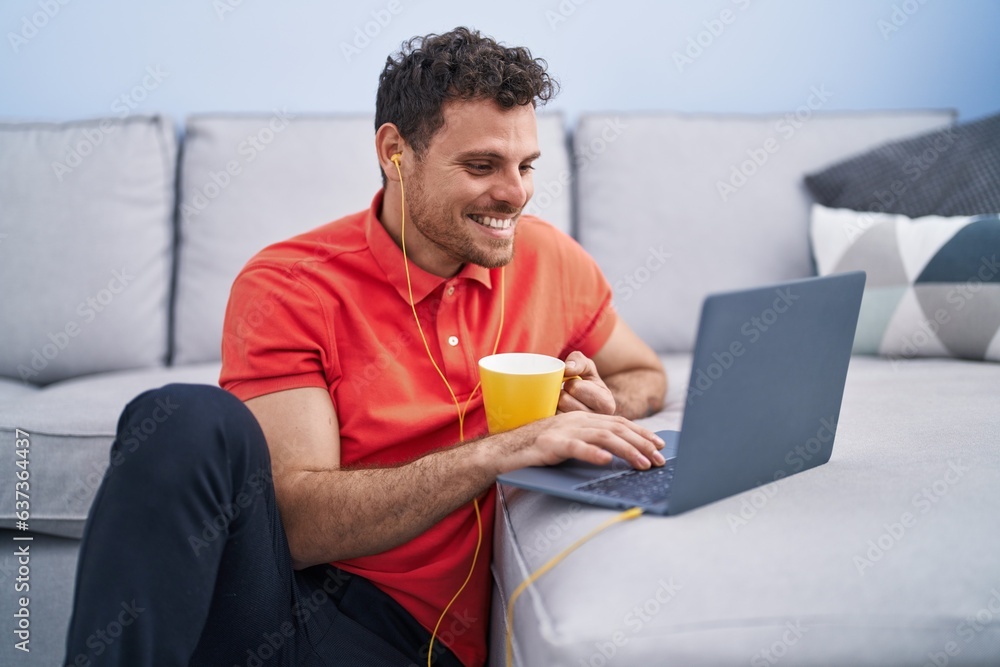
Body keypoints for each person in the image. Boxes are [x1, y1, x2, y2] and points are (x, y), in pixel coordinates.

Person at [64, 26, 667, 667]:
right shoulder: (291, 284)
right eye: (482, 165)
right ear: (395, 152)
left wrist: (597, 408)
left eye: (526, 166)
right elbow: (296, 529)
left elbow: (644, 372)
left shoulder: (551, 259)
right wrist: (503, 449)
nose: (516, 193)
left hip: (418, 646)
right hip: (294, 613)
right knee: (187, 420)